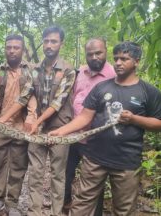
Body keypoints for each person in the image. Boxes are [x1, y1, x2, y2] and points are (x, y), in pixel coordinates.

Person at [49, 41, 161, 215]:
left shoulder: (148, 92)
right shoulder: (101, 87)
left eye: (124, 59)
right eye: (116, 58)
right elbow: (85, 117)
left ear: (137, 61)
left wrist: (134, 119)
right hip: (94, 158)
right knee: (81, 204)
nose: (118, 63)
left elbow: (158, 124)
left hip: (127, 162)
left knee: (123, 210)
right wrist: (61, 132)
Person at [0, 35, 37, 216]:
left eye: (16, 47)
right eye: (9, 47)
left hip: (22, 127)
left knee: (19, 165)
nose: (12, 50)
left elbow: (32, 97)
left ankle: (12, 203)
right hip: (1, 126)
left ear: (23, 49)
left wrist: (31, 117)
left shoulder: (32, 70)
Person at [26, 26, 76, 216]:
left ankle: (57, 213)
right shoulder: (35, 68)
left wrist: (37, 121)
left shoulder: (69, 70)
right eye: (46, 41)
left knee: (58, 175)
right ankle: (34, 212)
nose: (49, 45)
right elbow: (25, 95)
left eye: (53, 41)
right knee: (35, 173)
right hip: (37, 129)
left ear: (61, 44)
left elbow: (58, 103)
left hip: (60, 128)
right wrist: (4, 119)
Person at [63, 38, 116, 215]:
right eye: (90, 54)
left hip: (97, 140)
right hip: (74, 136)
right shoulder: (80, 72)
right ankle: (65, 205)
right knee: (65, 174)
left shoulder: (114, 76)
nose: (94, 57)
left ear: (106, 51)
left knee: (95, 182)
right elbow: (73, 98)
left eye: (98, 53)